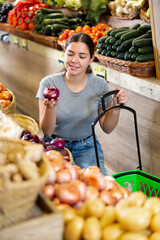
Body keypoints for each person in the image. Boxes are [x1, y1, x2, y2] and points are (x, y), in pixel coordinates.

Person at [36, 32, 128, 175]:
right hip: (54, 146)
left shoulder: (100, 85)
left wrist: (116, 108)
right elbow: (47, 131)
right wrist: (51, 108)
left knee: (96, 185)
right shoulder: (49, 84)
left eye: (82, 56)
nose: (74, 60)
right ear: (64, 53)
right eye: (70, 54)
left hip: (87, 146)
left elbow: (107, 128)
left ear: (91, 59)